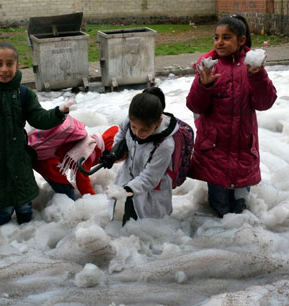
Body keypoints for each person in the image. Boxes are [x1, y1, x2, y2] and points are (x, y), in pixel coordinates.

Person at [0, 42, 74, 226]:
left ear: (17, 65)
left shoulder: (24, 94)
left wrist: (59, 112)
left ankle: (26, 242)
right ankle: (4, 244)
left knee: (24, 205)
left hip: (18, 159)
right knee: (4, 208)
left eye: (9, 64)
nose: (4, 69)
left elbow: (39, 118)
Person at [186, 14, 277, 217]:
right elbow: (194, 105)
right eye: (216, 37)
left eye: (226, 37)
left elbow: (265, 103)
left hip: (243, 148)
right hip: (214, 150)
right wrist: (204, 85)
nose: (219, 42)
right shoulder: (209, 66)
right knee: (219, 210)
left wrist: (258, 75)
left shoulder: (251, 66)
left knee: (241, 210)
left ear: (241, 40)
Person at [103, 87, 180, 225]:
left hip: (151, 194)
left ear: (158, 122)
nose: (138, 133)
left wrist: (125, 190)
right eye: (134, 127)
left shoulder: (165, 145)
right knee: (129, 226)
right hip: (128, 183)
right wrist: (116, 153)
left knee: (150, 232)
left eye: (144, 129)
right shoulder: (130, 121)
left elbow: (149, 178)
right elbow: (120, 136)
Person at [29, 120, 119, 199]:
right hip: (45, 161)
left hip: (43, 157)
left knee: (62, 187)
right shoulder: (89, 151)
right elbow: (82, 180)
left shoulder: (92, 142)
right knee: (68, 195)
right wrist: (93, 200)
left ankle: (47, 198)